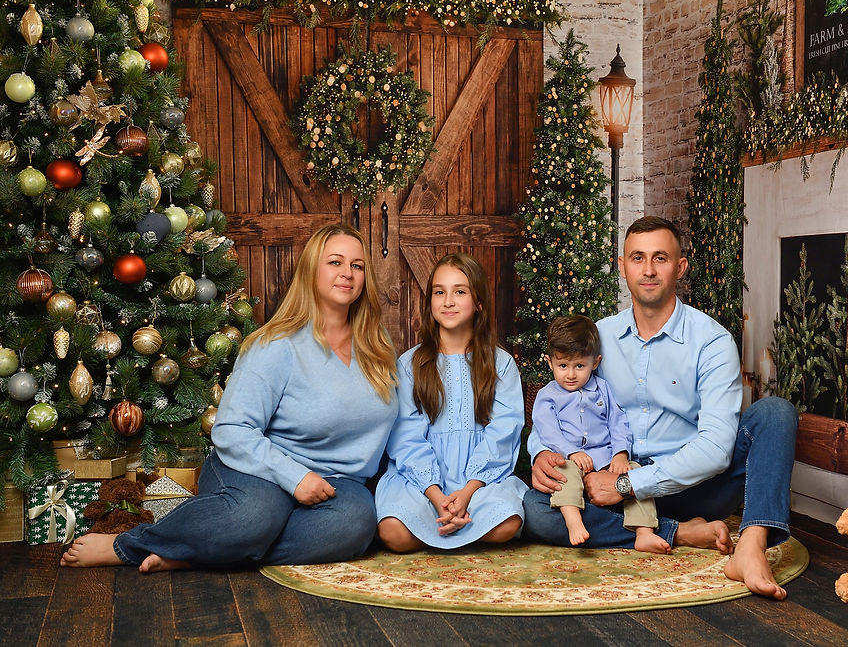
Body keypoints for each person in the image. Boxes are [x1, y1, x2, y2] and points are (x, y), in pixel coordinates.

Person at [61, 224, 399, 571]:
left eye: (357, 266)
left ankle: (201, 552)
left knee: (356, 523)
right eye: (335, 262)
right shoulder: (276, 345)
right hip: (258, 471)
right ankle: (129, 545)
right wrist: (295, 478)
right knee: (253, 517)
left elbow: (397, 430)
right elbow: (232, 430)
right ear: (312, 270)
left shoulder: (378, 346)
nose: (347, 273)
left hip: (338, 485)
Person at [523, 216, 798, 599]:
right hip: (610, 480)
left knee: (775, 413)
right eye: (637, 258)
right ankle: (679, 532)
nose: (648, 270)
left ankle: (751, 544)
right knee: (534, 508)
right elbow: (556, 408)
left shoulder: (712, 341)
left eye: (660, 258)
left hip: (695, 486)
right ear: (622, 266)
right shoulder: (595, 338)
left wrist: (627, 485)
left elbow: (718, 449)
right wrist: (541, 455)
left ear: (680, 267)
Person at [376, 253, 527, 551]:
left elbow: (503, 433)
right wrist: (436, 496)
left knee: (507, 522)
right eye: (439, 292)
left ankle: (451, 524)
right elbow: (406, 437)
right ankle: (446, 522)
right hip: (422, 482)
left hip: (480, 481)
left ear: (479, 302)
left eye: (460, 291)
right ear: (430, 301)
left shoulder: (501, 364)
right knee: (393, 533)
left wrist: (468, 491)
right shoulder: (410, 364)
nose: (448, 301)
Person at [532, 315, 669, 552]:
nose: (571, 375)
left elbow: (617, 422)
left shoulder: (602, 389)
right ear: (549, 362)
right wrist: (571, 452)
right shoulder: (547, 396)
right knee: (562, 474)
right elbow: (547, 431)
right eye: (563, 366)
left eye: (580, 366)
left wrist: (620, 455)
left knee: (637, 474)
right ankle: (573, 521)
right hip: (570, 460)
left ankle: (644, 531)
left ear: (595, 363)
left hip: (605, 459)